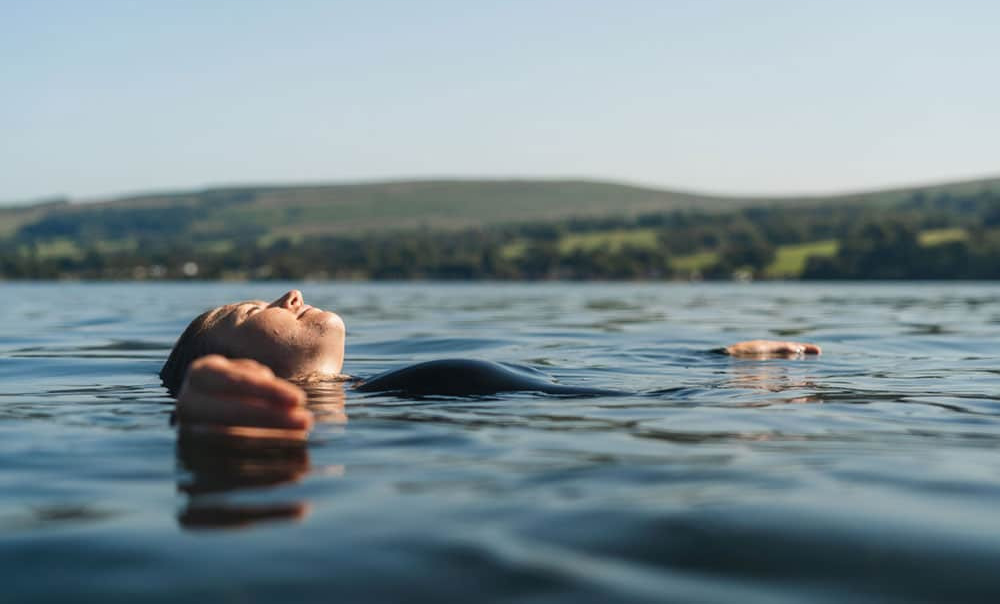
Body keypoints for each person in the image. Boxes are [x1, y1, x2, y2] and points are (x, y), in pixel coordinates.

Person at [162, 289, 821, 440]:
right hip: (667, 410)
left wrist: (721, 363)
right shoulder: (321, 410)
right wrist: (209, 405)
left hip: (663, 394)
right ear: (237, 367)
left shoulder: (362, 392)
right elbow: (213, 406)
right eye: (254, 312)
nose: (291, 295)